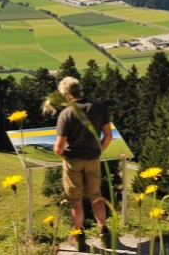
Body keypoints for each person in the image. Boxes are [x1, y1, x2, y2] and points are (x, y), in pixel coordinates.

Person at [53, 76, 113, 251]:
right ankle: (104, 232)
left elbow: (58, 148)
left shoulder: (66, 114)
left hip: (73, 161)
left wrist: (65, 155)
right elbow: (108, 136)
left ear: (66, 94)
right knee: (96, 197)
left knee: (76, 201)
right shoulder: (98, 107)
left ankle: (79, 238)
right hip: (93, 159)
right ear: (79, 89)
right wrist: (98, 151)